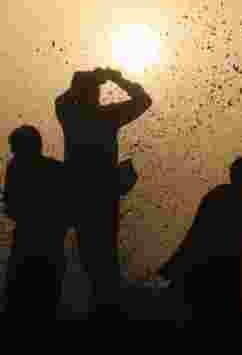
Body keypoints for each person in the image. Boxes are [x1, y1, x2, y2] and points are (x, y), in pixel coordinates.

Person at [55, 67, 152, 320]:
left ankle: (101, 308)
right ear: (96, 93)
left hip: (79, 196)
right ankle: (106, 310)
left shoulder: (69, 114)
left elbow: (62, 99)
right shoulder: (107, 116)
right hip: (103, 197)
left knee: (91, 257)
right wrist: (118, 79)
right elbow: (144, 100)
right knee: (105, 257)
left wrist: (94, 78)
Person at [158, 156, 242, 327]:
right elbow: (238, 248)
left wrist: (176, 266)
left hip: (205, 275)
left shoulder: (216, 196)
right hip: (219, 279)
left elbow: (195, 235)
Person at [1, 125, 70, 321]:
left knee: (19, 306)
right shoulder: (56, 169)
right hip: (48, 249)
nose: (13, 152)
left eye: (15, 147)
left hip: (31, 249)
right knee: (44, 307)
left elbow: (10, 207)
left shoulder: (15, 168)